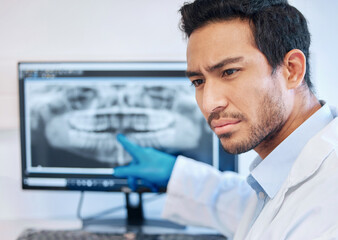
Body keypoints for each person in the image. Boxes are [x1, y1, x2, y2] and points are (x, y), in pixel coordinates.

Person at [114, 0, 338, 239]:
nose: (209, 103)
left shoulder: (328, 202)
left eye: (229, 72)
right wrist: (175, 174)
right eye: (198, 81)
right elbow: (253, 209)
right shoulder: (283, 179)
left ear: (292, 70)